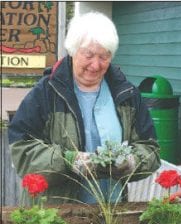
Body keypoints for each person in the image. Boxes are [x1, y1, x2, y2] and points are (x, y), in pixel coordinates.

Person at [8, 12, 161, 204]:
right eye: (88, 55)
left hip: (110, 211)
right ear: (73, 51)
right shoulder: (46, 93)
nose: (95, 65)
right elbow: (22, 151)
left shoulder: (127, 94)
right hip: (57, 215)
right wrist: (69, 161)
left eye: (104, 56)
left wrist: (132, 162)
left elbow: (151, 149)